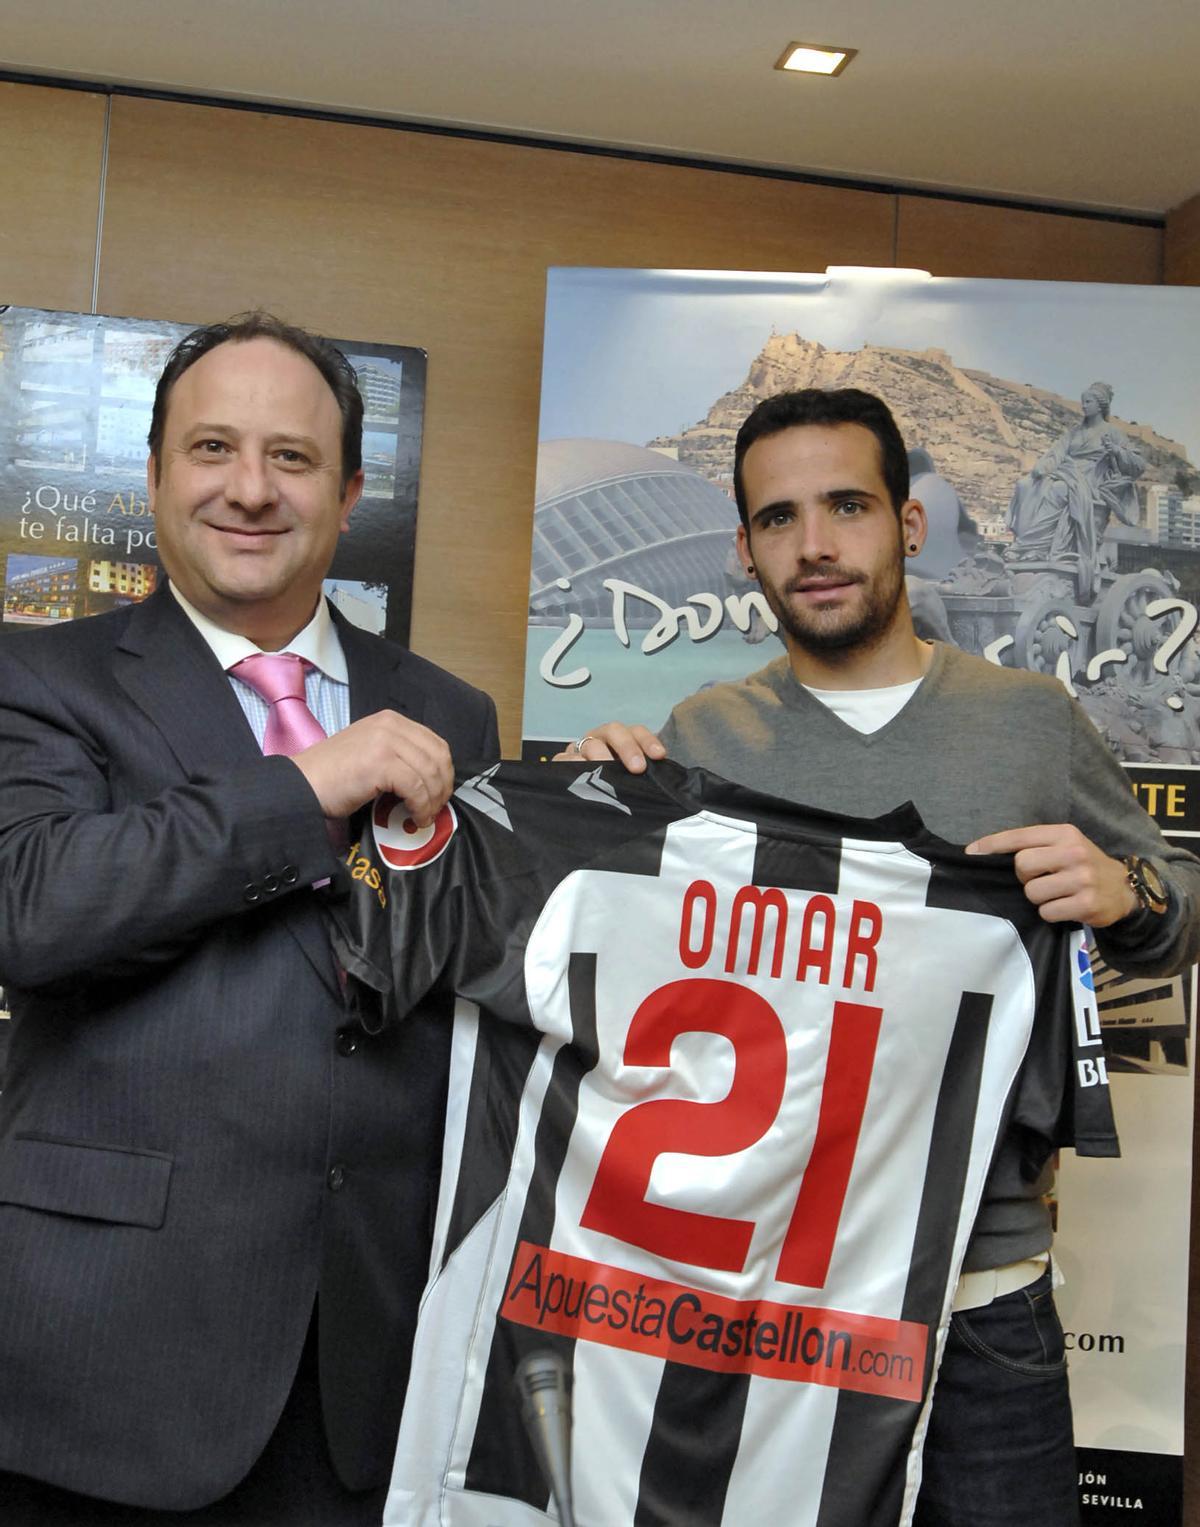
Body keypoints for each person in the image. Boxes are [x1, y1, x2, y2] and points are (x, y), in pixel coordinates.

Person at [565, 386, 1200, 1527]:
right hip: (758, 1301)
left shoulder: (1032, 720)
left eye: (847, 506)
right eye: (778, 519)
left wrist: (1126, 891)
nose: (815, 546)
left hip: (982, 1303)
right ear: (744, 550)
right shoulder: (699, 740)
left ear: (909, 524)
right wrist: (579, 806)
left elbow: (1183, 904)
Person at [0, 313, 499, 1525]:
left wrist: (601, 800)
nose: (248, 489)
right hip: (100, 1361)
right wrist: (307, 787)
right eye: (212, 448)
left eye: (291, 457)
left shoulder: (449, 710)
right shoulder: (42, 676)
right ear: (160, 472)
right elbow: (36, 908)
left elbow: (480, 973)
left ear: (351, 490)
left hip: (362, 1364)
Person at [1006, 381, 1145, 599]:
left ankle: (1033, 546)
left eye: (1088, 402)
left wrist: (1116, 451)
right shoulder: (1073, 433)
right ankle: (1025, 548)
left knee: (1059, 490)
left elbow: (1138, 465)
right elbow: (1056, 453)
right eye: (1083, 402)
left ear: (1100, 406)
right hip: (1066, 471)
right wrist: (1041, 468)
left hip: (1092, 480)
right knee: (1025, 485)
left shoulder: (1113, 433)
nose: (1083, 406)